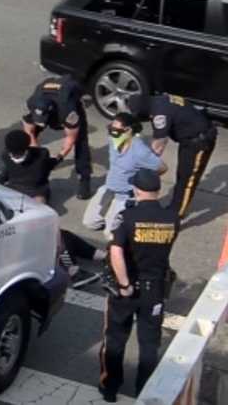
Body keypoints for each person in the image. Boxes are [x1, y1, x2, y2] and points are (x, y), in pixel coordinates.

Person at [99, 168, 180, 402]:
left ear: (136, 190)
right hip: (154, 289)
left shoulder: (128, 217)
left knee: (115, 339)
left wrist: (124, 285)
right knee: (149, 343)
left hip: (128, 290)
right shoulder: (172, 218)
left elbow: (116, 252)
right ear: (157, 190)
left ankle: (110, 387)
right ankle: (145, 391)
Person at [127, 94, 217, 219]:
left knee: (187, 180)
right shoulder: (159, 100)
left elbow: (159, 145)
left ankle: (176, 214)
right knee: (182, 175)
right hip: (189, 138)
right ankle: (175, 206)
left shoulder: (159, 114)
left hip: (200, 142)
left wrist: (145, 165)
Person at [83, 113, 167, 240]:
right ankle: (113, 219)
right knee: (90, 223)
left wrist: (141, 180)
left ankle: (129, 217)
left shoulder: (140, 152)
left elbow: (162, 167)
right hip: (109, 188)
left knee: (111, 235)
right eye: (111, 128)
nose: (111, 132)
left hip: (124, 195)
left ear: (128, 130)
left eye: (115, 130)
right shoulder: (113, 140)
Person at [23, 74, 92, 199]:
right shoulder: (32, 102)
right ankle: (13, 170)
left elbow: (70, 139)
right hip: (49, 94)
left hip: (73, 98)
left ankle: (84, 179)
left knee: (81, 142)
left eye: (43, 120)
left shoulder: (68, 110)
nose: (42, 123)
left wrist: (58, 158)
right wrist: (35, 150)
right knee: (23, 140)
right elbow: (28, 129)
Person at [0, 129, 59, 204]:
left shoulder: (5, 155)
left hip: (25, 190)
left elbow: (8, 170)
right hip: (25, 189)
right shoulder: (42, 154)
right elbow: (48, 166)